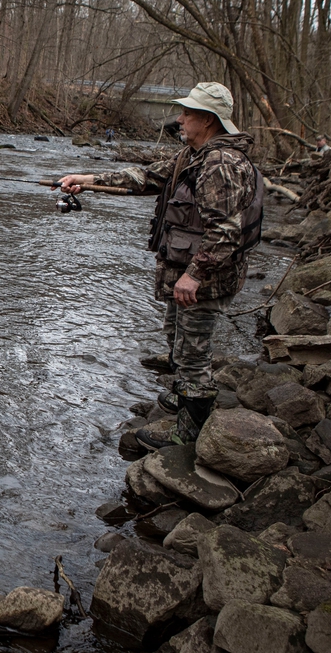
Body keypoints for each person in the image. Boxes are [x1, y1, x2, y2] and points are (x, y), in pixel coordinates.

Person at [58, 82, 264, 448]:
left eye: (187, 113)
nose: (180, 119)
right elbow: (146, 177)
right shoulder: (192, 154)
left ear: (208, 119)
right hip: (184, 273)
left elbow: (226, 231)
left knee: (192, 354)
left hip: (204, 279)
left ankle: (191, 431)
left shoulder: (221, 164)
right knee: (177, 339)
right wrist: (86, 181)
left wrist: (193, 275)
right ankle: (183, 399)